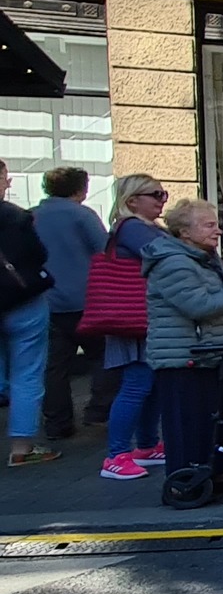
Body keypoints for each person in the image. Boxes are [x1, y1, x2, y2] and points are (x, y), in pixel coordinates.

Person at [145, 199, 223, 493]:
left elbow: (219, 301)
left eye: (217, 224)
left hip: (205, 354)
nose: (218, 231)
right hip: (185, 357)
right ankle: (187, 481)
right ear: (184, 232)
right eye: (209, 225)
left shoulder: (202, 259)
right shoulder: (174, 263)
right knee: (188, 423)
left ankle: (217, 473)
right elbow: (199, 305)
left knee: (214, 419)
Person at [93, 175, 170, 480]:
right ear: (132, 200)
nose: (162, 200)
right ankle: (116, 455)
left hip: (141, 318)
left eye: (163, 194)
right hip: (135, 318)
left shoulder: (142, 228)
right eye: (155, 194)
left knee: (150, 385)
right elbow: (165, 256)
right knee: (137, 385)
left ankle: (146, 446)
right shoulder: (133, 228)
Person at [34, 166, 114, 440]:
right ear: (81, 189)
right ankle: (98, 411)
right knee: (103, 356)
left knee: (54, 366)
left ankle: (58, 422)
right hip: (87, 299)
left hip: (48, 300)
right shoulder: (83, 215)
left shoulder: (32, 216)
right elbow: (106, 251)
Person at [0, 170, 52, 468]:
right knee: (27, 373)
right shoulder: (16, 216)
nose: (8, 183)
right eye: (5, 178)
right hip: (22, 301)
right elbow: (39, 254)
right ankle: (22, 447)